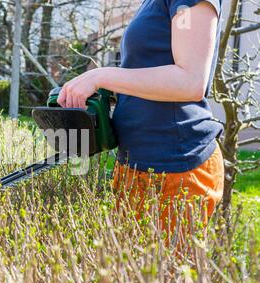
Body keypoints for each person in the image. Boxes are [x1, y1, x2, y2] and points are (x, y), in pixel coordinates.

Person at [57, 0, 224, 235]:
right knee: (126, 269)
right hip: (135, 164)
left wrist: (103, 75)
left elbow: (190, 80)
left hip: (177, 168)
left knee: (165, 271)